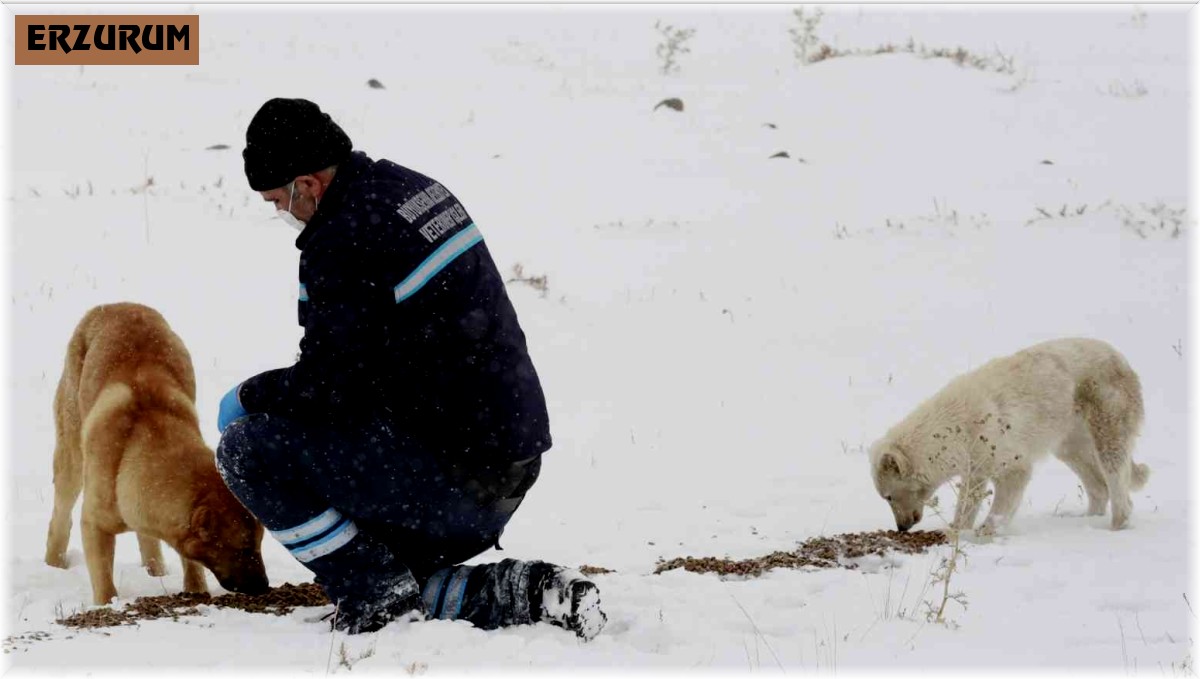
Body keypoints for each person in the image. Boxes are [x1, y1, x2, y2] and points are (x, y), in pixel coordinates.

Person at [214, 97, 605, 639]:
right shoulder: (412, 189)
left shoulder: (342, 237)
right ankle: (515, 590)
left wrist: (250, 395)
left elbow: (330, 387)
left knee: (247, 449)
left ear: (309, 184)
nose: (281, 212)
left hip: (455, 488)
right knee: (350, 445)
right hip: (507, 465)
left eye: (277, 199)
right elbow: (370, 365)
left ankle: (374, 589)